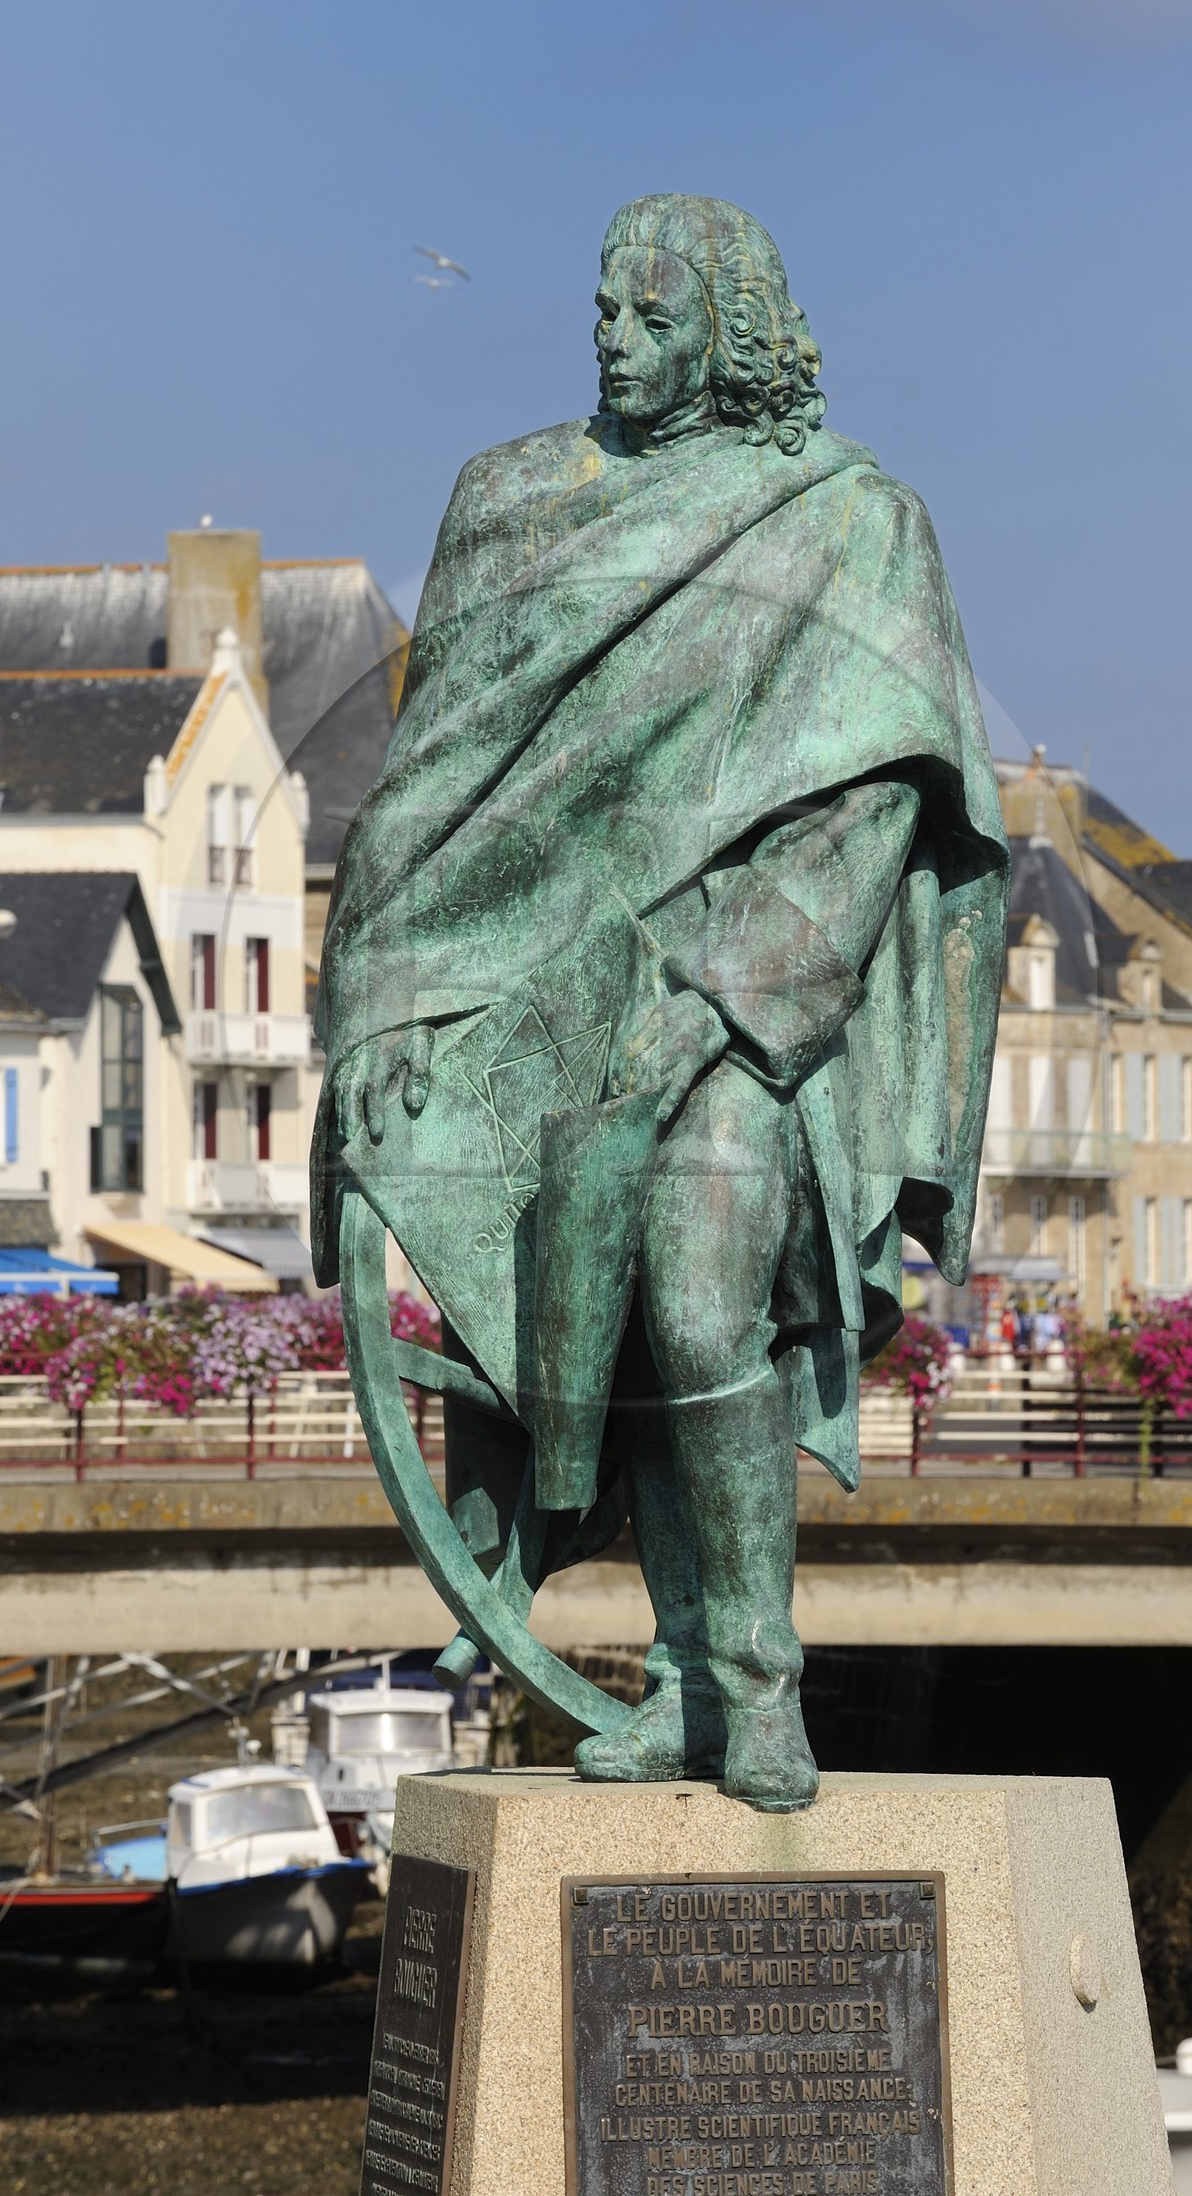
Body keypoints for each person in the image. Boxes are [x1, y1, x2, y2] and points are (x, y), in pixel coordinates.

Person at [314, 194, 1007, 1811]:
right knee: (611, 1297)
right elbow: (447, 788)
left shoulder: (854, 526)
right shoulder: (515, 503)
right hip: (553, 988)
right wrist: (392, 1002)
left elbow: (880, 801)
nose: (613, 337)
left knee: (701, 1272)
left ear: (733, 329)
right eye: (604, 309)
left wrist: (741, 989)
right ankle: (688, 1669)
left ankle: (754, 1682)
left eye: (651, 313)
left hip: (772, 991)